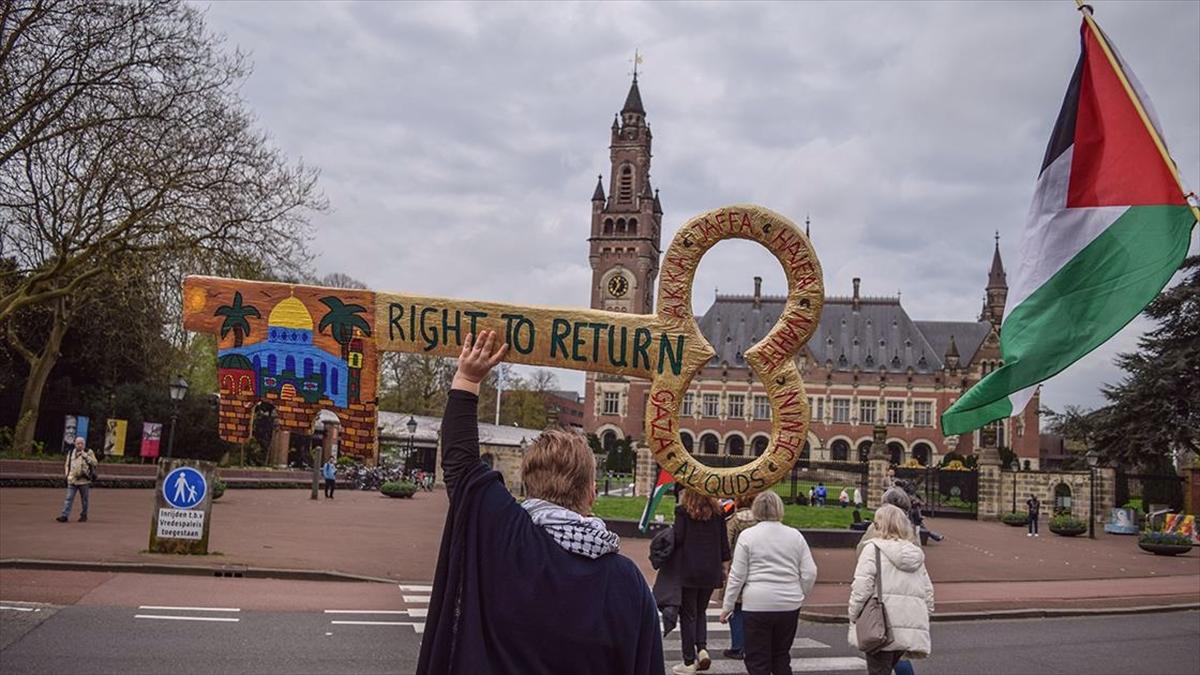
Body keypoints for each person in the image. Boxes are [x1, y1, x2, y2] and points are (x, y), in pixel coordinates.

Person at [416, 331, 663, 675]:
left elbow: (460, 465)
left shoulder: (505, 535)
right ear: (591, 492)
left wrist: (467, 379)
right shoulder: (627, 581)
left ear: (528, 484)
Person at [721, 492, 818, 675]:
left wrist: (728, 606)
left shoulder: (748, 536)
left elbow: (737, 575)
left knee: (757, 659)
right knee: (781, 655)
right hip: (789, 603)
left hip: (757, 603)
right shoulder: (795, 536)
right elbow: (809, 572)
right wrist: (799, 593)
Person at [848, 504, 934, 675]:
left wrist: (853, 613)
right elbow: (928, 591)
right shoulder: (915, 553)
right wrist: (924, 615)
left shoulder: (872, 549)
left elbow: (862, 587)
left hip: (880, 624)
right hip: (908, 622)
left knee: (879, 669)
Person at [672, 488, 731, 674]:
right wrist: (724, 567)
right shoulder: (718, 513)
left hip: (688, 569)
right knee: (700, 611)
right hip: (710, 570)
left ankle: (689, 661)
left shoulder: (683, 511)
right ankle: (702, 648)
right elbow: (724, 543)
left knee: (688, 614)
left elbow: (678, 538)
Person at [721, 494, 758, 660]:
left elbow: (726, 545)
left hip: (739, 566)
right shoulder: (760, 520)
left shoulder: (734, 520)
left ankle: (738, 646)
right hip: (758, 568)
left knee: (735, 608)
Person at [57, 436, 96, 523]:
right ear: (75, 444)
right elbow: (67, 464)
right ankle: (64, 515)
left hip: (84, 480)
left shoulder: (88, 452)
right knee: (68, 498)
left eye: (82, 443)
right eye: (78, 443)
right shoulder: (71, 452)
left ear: (84, 444)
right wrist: (67, 475)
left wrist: (85, 456)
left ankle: (84, 515)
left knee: (84, 500)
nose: (80, 445)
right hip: (72, 479)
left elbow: (95, 463)